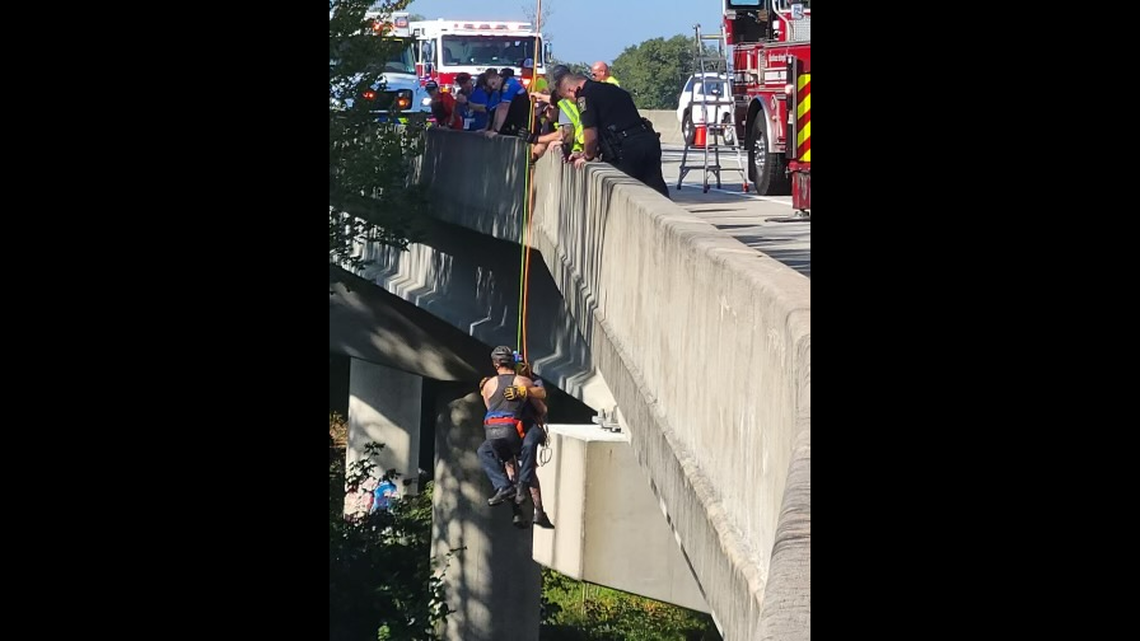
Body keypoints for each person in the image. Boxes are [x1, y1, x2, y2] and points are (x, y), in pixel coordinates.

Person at [554, 72, 670, 199]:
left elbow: (590, 132)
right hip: (647, 141)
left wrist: (587, 156)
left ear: (571, 90)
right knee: (657, 191)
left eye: (569, 98)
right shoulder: (613, 88)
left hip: (626, 150)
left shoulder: (584, 97)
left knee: (629, 195)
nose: (573, 101)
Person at [477, 346, 543, 508]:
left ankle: (503, 487)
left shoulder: (487, 385)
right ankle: (523, 486)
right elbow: (542, 404)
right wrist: (525, 392)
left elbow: (489, 409)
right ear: (514, 363)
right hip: (515, 430)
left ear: (495, 364)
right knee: (527, 449)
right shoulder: (524, 381)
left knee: (485, 452)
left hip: (492, 433)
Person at [503, 360, 554, 529]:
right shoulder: (503, 382)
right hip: (511, 426)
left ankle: (535, 507)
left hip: (530, 426)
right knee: (510, 463)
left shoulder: (533, 382)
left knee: (527, 458)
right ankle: (518, 508)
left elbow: (542, 407)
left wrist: (525, 393)